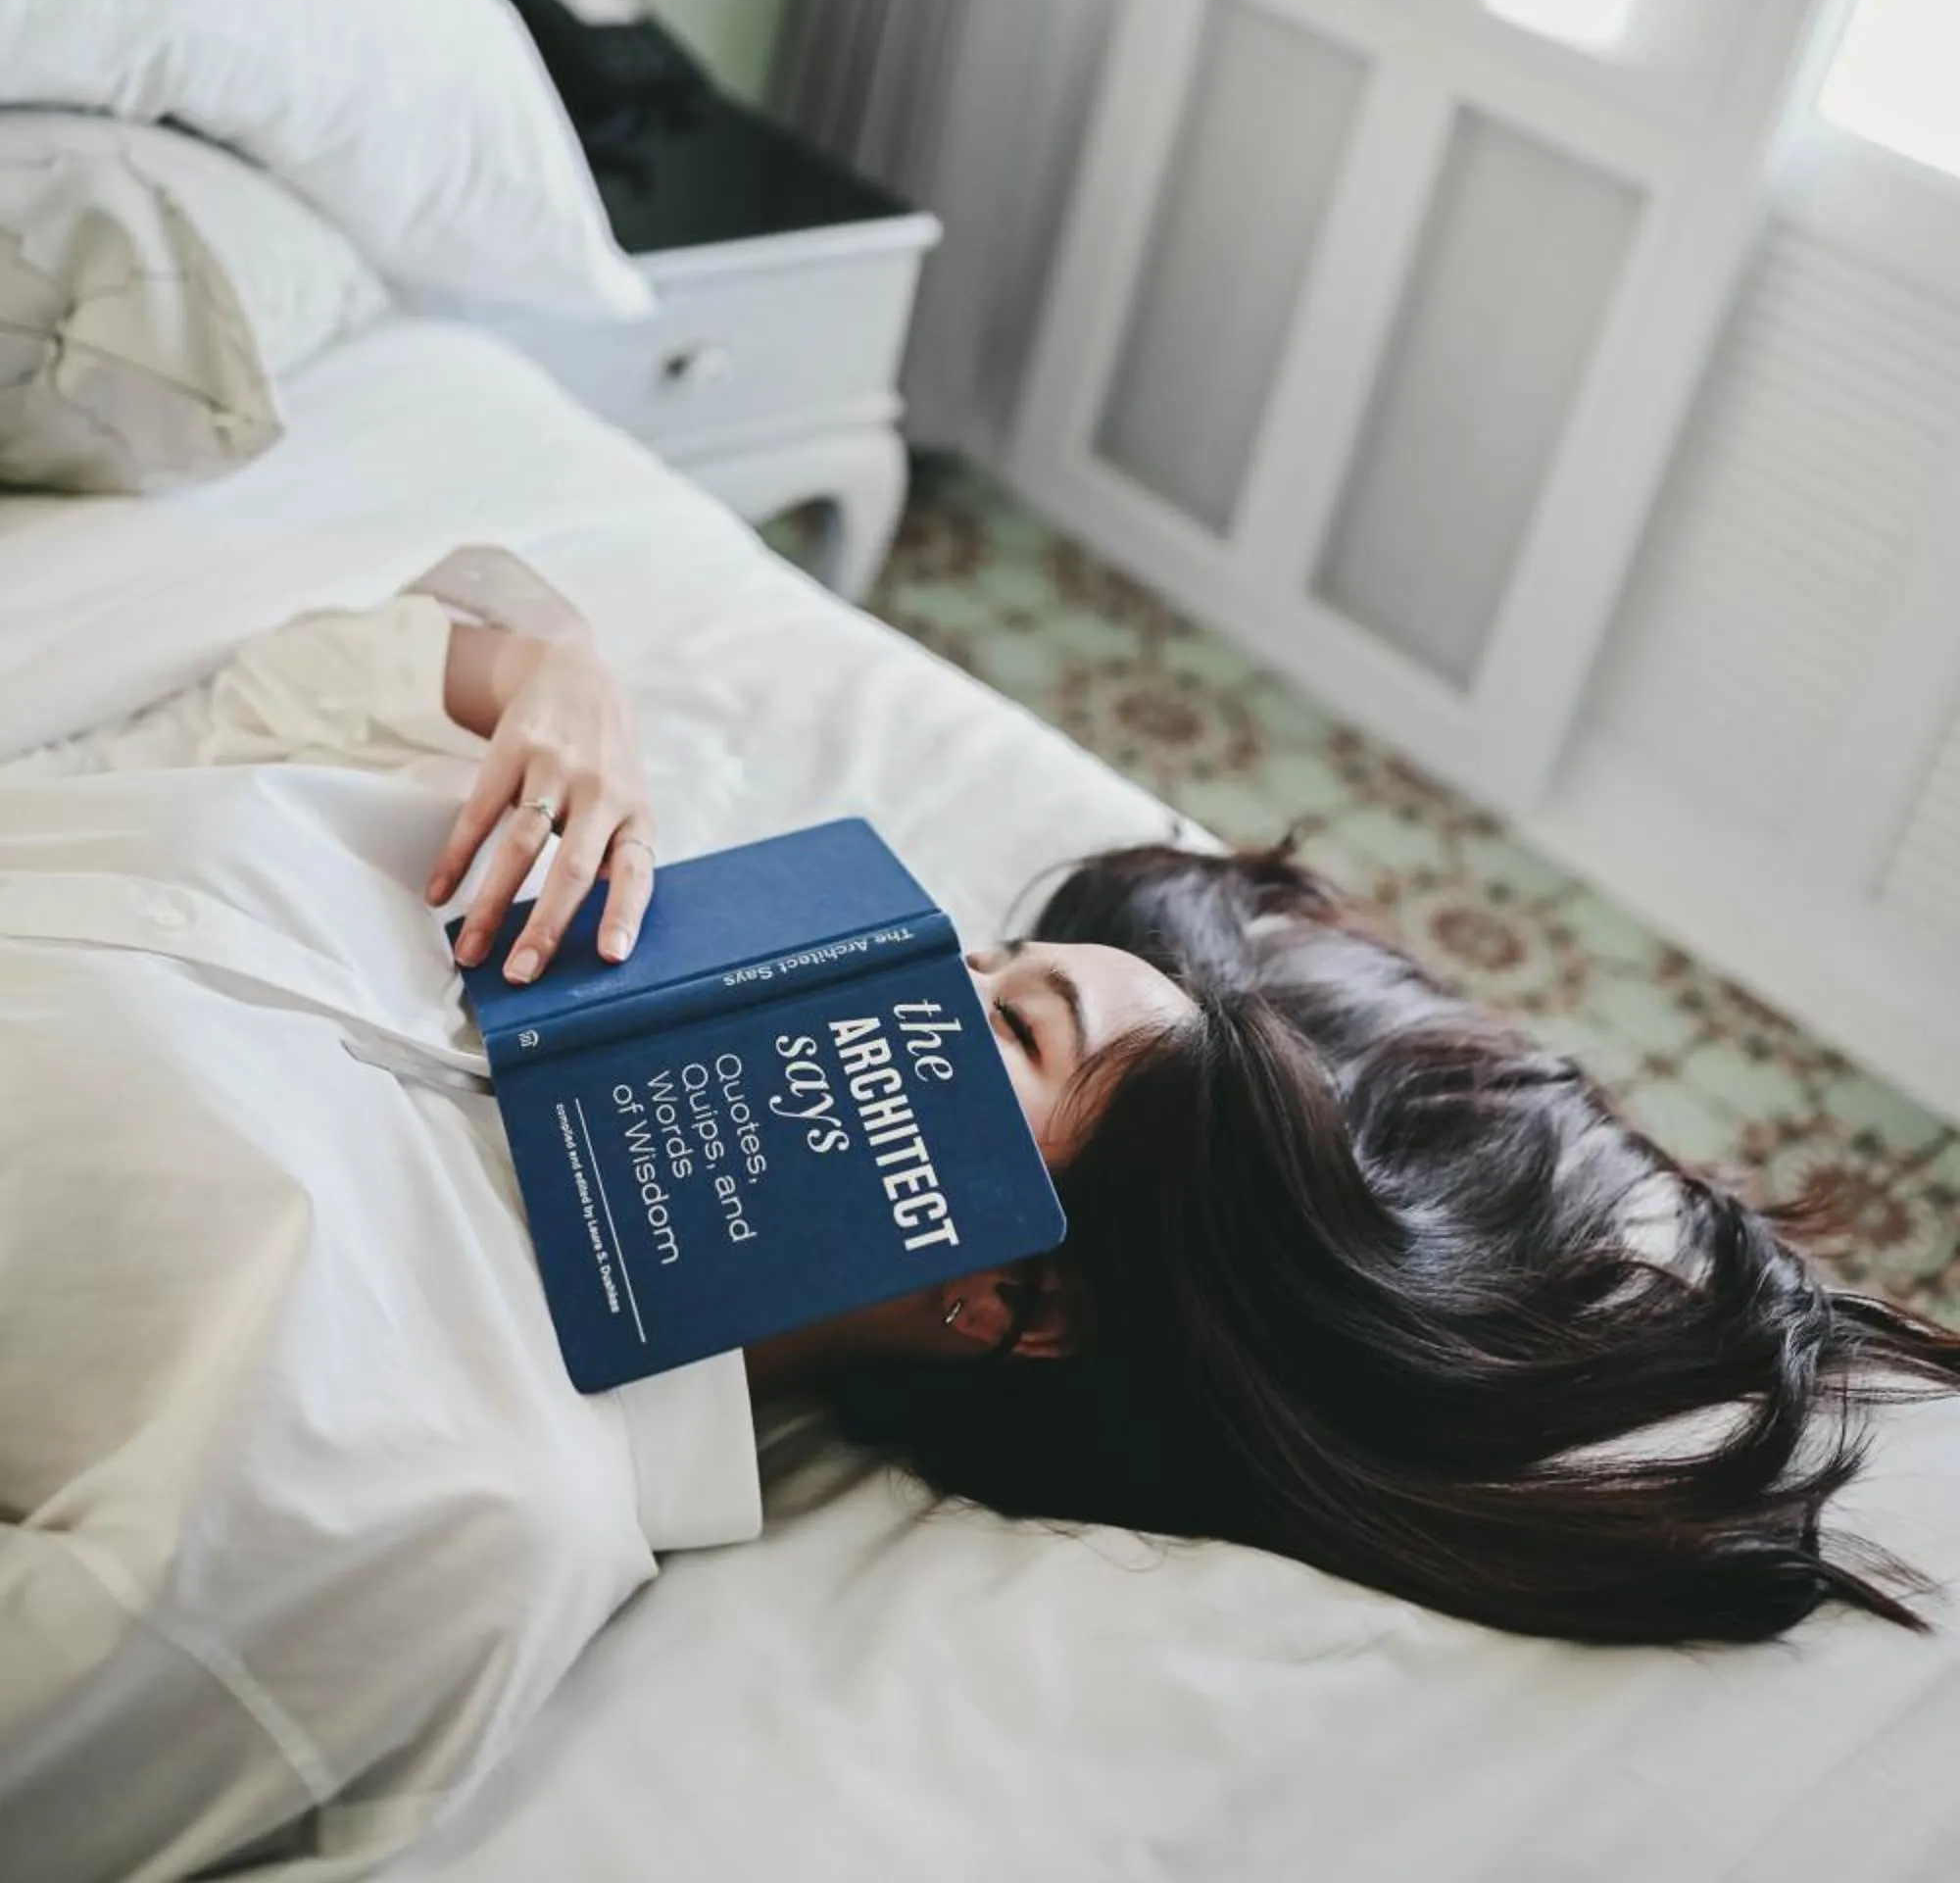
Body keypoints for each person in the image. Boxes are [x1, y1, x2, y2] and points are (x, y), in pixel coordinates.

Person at [2, 578, 1956, 1882]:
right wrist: (558, 681)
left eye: (1006, 1023)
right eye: (983, 957)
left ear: (1010, 1302)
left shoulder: (468, 1498)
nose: (916, 975)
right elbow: (320, 665)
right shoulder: (519, 898)